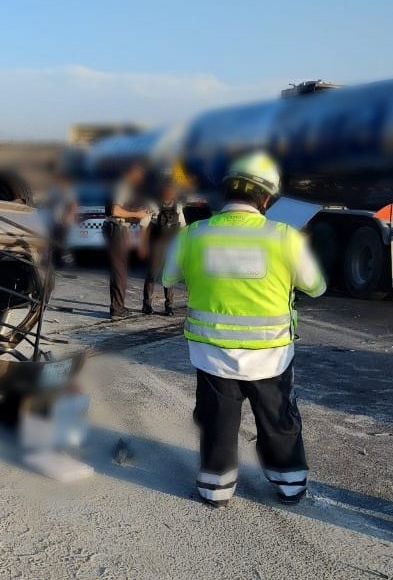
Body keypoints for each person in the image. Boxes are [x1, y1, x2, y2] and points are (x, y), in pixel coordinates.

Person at [161, 151, 326, 508]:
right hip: (271, 356)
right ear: (266, 198)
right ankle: (290, 486)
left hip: (212, 354)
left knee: (218, 420)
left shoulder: (194, 234)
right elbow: (316, 286)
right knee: (278, 420)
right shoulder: (283, 236)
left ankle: (215, 490)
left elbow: (167, 277)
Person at [105, 163, 148, 318]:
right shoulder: (123, 186)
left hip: (121, 229)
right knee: (119, 271)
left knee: (120, 269)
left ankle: (117, 306)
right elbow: (115, 211)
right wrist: (138, 214)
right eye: (140, 174)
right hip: (117, 229)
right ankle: (117, 309)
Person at [140, 177, 185, 315]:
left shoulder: (178, 207)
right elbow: (144, 226)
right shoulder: (153, 205)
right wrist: (143, 246)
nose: (169, 193)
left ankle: (169, 306)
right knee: (152, 274)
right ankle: (147, 305)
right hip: (157, 244)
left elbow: (183, 228)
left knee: (169, 275)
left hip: (172, 244)